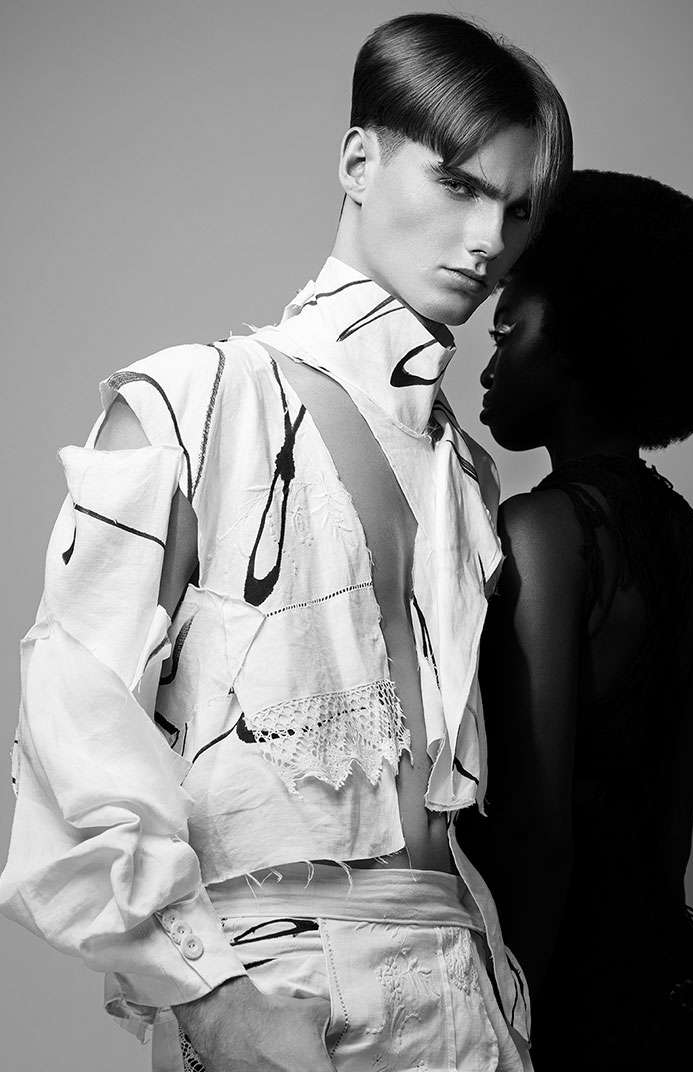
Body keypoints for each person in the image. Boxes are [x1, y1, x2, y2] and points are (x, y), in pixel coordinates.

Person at [0, 13, 572, 1072]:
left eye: (517, 208)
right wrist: (211, 1000)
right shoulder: (194, 401)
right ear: (358, 162)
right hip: (283, 985)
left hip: (471, 985)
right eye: (458, 185)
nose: (489, 240)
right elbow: (72, 726)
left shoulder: (465, 472)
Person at [461, 169, 693, 1069]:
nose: (487, 364)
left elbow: (538, 832)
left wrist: (509, 1031)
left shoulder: (544, 532)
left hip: (565, 998)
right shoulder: (683, 540)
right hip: (670, 994)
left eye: (508, 331)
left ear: (576, 340)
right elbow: (672, 835)